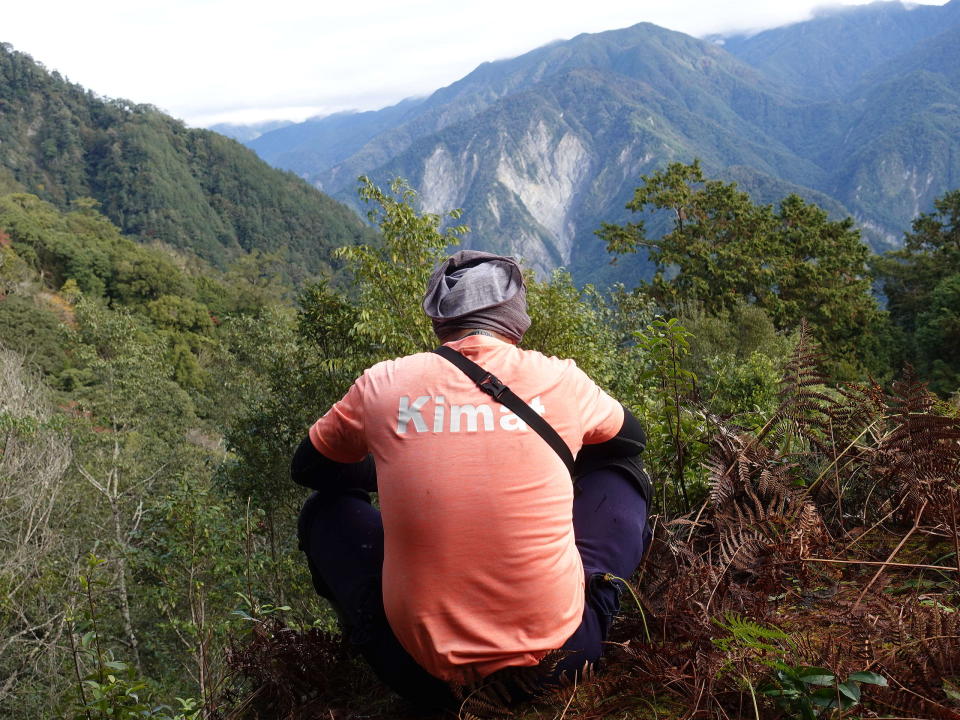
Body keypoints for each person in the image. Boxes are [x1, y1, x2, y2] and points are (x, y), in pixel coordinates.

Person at [292, 250, 651, 712]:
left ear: (440, 322)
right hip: (562, 661)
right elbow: (629, 441)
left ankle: (368, 634)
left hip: (419, 673)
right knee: (622, 474)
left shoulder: (383, 384)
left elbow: (310, 469)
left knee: (326, 508)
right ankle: (594, 597)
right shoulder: (560, 379)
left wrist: (400, 463)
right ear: (516, 320)